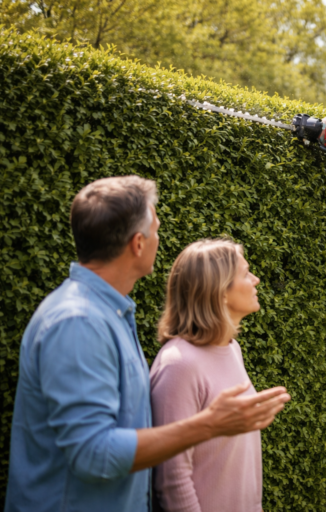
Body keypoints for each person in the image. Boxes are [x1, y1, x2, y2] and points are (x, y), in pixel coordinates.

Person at [5, 176, 291, 512]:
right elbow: (93, 454)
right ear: (138, 244)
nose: (159, 238)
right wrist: (210, 424)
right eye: (155, 230)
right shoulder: (79, 322)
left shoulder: (110, 314)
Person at [150, 239, 268, 512]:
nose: (256, 279)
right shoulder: (179, 365)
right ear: (220, 291)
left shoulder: (232, 348)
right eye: (246, 273)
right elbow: (172, 478)